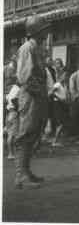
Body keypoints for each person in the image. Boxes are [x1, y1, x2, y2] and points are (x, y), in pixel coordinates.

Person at [14, 15, 50, 188]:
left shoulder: (37, 48)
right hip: (31, 96)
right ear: (37, 31)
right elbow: (25, 77)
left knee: (34, 133)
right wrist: (39, 93)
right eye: (44, 29)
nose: (46, 32)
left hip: (37, 96)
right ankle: (21, 175)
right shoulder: (28, 48)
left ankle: (26, 171)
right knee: (27, 135)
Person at [48, 59, 69, 147]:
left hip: (63, 104)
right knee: (60, 123)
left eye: (66, 75)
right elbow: (50, 93)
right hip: (58, 104)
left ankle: (58, 140)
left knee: (63, 123)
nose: (66, 77)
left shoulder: (65, 85)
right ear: (61, 76)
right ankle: (55, 141)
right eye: (64, 75)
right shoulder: (58, 84)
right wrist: (59, 98)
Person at [5, 79, 20, 160]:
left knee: (10, 134)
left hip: (9, 112)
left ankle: (11, 153)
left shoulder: (13, 88)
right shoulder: (17, 89)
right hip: (14, 112)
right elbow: (13, 99)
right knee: (13, 134)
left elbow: (8, 98)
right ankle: (11, 153)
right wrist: (19, 109)